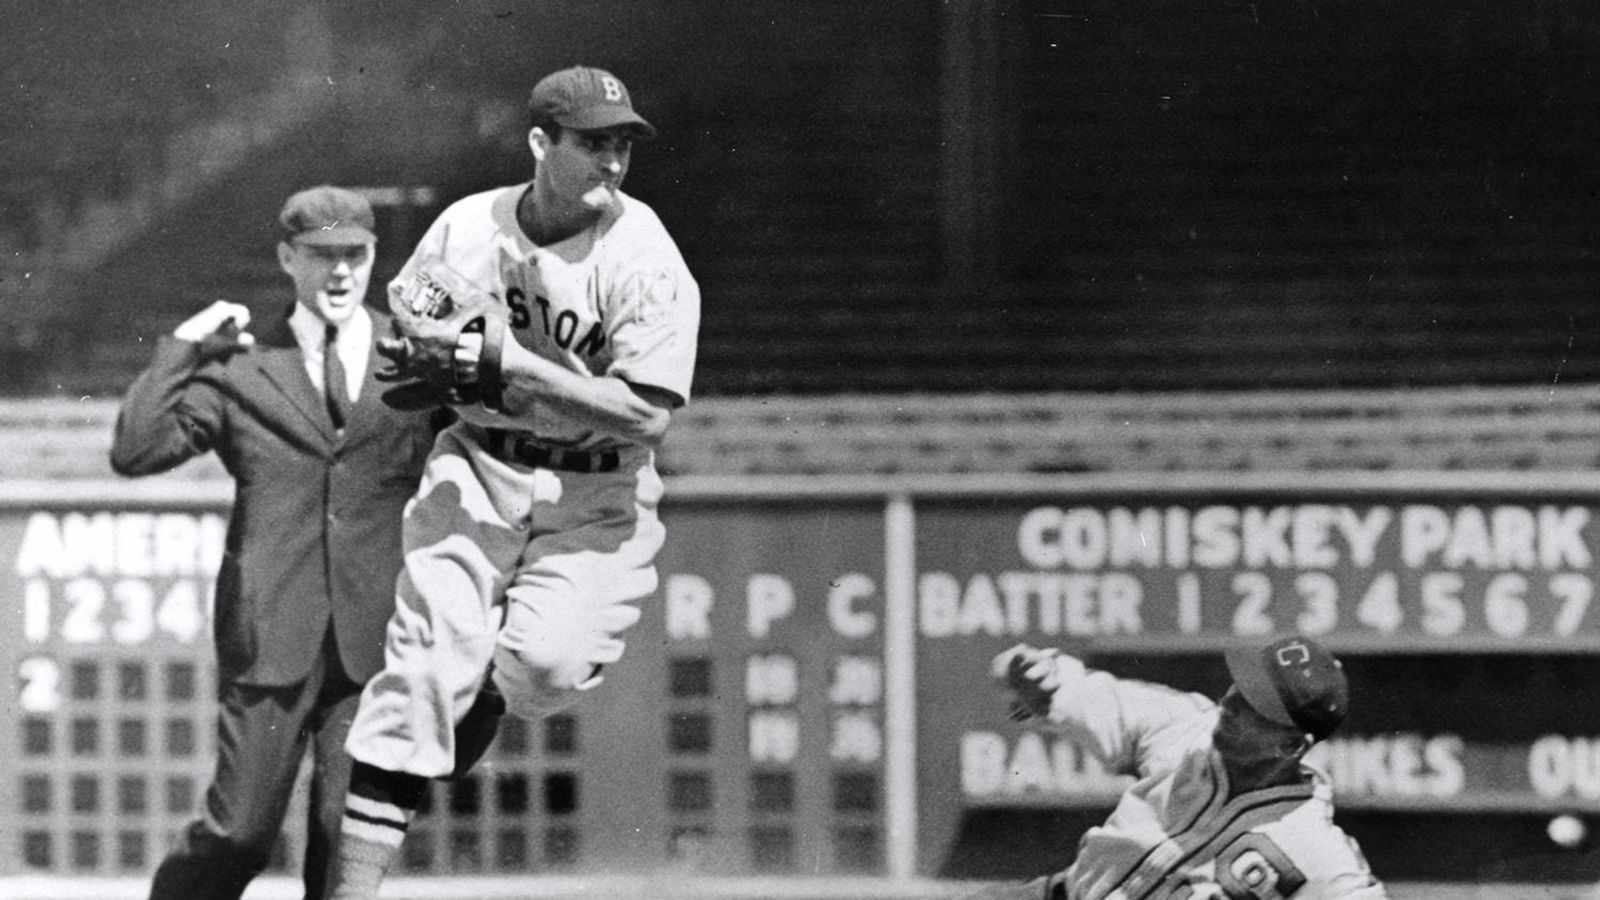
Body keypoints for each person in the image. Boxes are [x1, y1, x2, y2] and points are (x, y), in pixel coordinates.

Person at [326, 65, 700, 898]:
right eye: (592, 144)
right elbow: (411, 339)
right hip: (480, 465)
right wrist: (417, 360)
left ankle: (492, 691)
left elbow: (646, 417)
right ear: (540, 143)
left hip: (596, 495)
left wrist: (516, 365)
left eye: (621, 146)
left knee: (545, 668)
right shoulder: (466, 228)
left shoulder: (644, 257)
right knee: (420, 670)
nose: (612, 163)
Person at [110, 186, 449, 900]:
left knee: (342, 839)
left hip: (373, 640)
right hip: (271, 636)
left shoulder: (413, 360)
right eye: (321, 256)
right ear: (286, 258)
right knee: (239, 833)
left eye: (354, 255)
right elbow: (137, 450)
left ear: (373, 258)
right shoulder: (241, 366)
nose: (339, 273)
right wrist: (182, 347)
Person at [975, 635, 1387, 900]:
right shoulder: (1185, 724)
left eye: (1253, 708)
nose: (1229, 707)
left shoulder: (1317, 849)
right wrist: (1035, 677)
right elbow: (1074, 694)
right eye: (1240, 689)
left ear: (1290, 745)